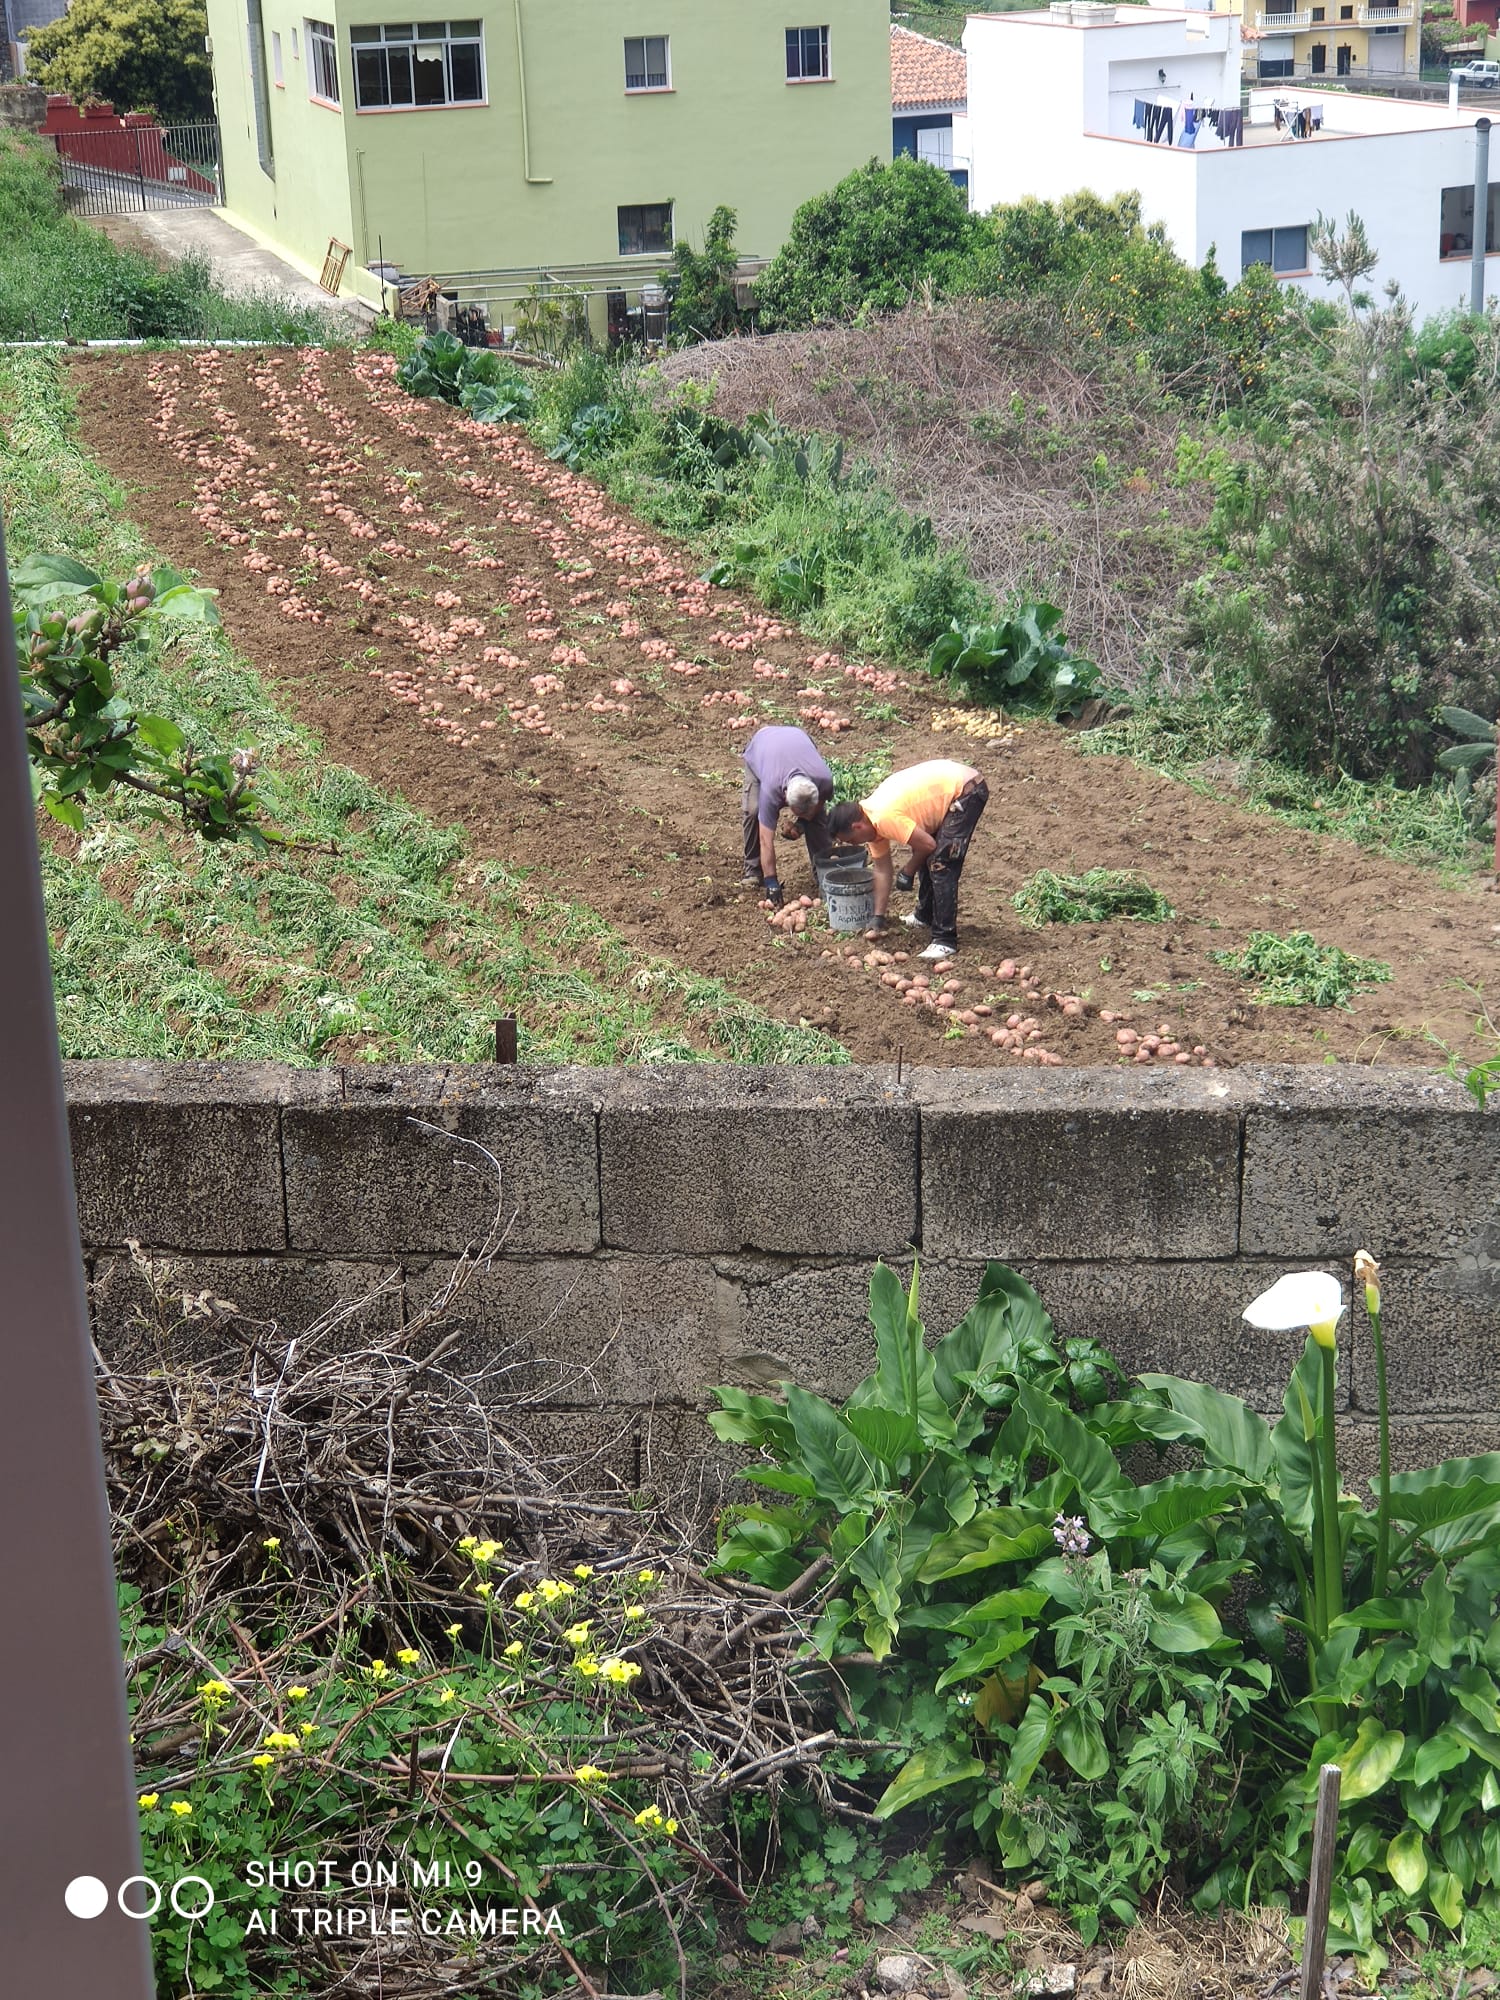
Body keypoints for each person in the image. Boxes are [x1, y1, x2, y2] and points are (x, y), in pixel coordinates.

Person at [827, 758, 988, 961]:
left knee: (941, 863)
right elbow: (882, 870)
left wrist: (908, 870)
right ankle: (925, 916)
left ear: (857, 827)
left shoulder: (883, 817)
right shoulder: (870, 822)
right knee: (924, 852)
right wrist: (878, 917)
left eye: (850, 840)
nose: (853, 845)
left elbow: (928, 845)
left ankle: (945, 940)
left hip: (966, 790)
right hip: (950, 787)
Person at [739, 724, 834, 909]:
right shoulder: (772, 790)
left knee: (817, 820)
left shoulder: (824, 780)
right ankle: (753, 871)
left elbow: (819, 805)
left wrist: (802, 824)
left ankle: (824, 877)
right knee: (753, 811)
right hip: (762, 746)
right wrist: (772, 884)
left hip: (797, 738)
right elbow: (766, 840)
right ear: (786, 800)